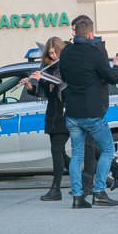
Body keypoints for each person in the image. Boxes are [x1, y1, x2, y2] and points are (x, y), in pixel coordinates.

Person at [59, 18, 118, 208]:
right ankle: (99, 192)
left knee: (77, 155)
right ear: (90, 34)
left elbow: (64, 77)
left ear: (75, 33)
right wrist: (117, 64)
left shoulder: (65, 52)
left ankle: (78, 197)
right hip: (91, 112)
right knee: (107, 150)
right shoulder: (94, 52)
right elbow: (113, 77)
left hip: (72, 112)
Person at [23, 37, 70, 201]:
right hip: (53, 114)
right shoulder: (47, 68)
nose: (54, 56)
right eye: (50, 53)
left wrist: (49, 80)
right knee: (61, 153)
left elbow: (65, 90)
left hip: (65, 113)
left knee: (57, 150)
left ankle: (56, 189)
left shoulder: (67, 66)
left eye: (56, 52)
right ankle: (88, 177)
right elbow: (46, 94)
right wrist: (31, 87)